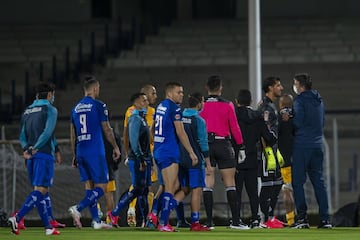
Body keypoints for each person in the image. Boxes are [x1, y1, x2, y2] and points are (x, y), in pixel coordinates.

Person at [8, 82, 60, 235]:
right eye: (53, 94)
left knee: (40, 191)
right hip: (43, 154)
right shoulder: (50, 109)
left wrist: (27, 149)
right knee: (41, 190)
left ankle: (48, 227)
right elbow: (48, 132)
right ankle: (17, 218)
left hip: (29, 156)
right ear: (50, 94)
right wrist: (37, 147)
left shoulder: (27, 110)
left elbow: (22, 135)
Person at [69, 75, 121, 229]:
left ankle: (96, 221)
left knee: (89, 187)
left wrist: (74, 154)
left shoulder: (75, 108)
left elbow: (73, 134)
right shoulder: (99, 105)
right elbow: (107, 128)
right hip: (94, 151)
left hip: (81, 150)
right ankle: (78, 208)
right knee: (102, 187)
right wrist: (116, 147)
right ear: (95, 88)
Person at [199, 75, 245, 229]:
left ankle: (210, 221)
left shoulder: (202, 105)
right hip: (223, 144)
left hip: (206, 145)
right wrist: (241, 146)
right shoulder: (228, 105)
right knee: (230, 183)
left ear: (207, 87)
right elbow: (235, 127)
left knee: (208, 183)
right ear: (220, 88)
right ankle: (236, 222)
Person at [153, 82, 198, 232]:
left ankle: (157, 216)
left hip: (159, 150)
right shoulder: (174, 108)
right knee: (171, 187)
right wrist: (191, 152)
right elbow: (180, 132)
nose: (182, 95)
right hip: (169, 151)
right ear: (170, 93)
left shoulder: (160, 106)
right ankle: (163, 222)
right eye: (179, 92)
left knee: (174, 184)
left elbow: (152, 128)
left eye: (182, 92)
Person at [291, 73, 332, 229]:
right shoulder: (319, 100)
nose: (294, 87)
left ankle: (302, 218)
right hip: (317, 145)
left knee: (298, 183)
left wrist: (290, 118)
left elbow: (298, 123)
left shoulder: (300, 101)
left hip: (302, 145)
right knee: (319, 182)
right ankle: (325, 219)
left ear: (301, 86)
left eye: (295, 84)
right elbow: (322, 122)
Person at [107, 93, 152, 226]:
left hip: (145, 159)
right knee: (138, 189)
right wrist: (141, 159)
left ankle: (145, 221)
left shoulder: (142, 118)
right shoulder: (135, 119)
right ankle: (114, 213)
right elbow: (134, 141)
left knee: (144, 190)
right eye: (144, 101)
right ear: (136, 103)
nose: (147, 103)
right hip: (138, 160)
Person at [234, 89, 277, 229]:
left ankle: (236, 220)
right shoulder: (257, 116)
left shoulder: (233, 115)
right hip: (253, 158)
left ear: (237, 101)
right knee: (253, 192)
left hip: (236, 159)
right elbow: (269, 138)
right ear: (251, 101)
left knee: (236, 191)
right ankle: (255, 219)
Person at [173, 92, 211, 231]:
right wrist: (208, 163)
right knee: (196, 190)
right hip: (194, 160)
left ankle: (164, 213)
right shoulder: (198, 120)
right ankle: (195, 222)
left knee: (183, 189)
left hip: (180, 159)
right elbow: (203, 143)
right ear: (200, 103)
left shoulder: (179, 117)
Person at [123, 84, 158, 227]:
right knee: (146, 187)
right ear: (144, 95)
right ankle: (147, 217)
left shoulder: (138, 112)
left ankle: (134, 210)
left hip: (144, 155)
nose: (155, 96)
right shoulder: (137, 112)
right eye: (153, 93)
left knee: (139, 185)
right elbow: (129, 134)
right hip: (143, 156)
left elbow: (126, 134)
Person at [257, 76, 284, 228]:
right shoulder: (265, 107)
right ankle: (264, 219)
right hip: (267, 152)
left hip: (274, 151)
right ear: (270, 88)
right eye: (278, 85)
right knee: (268, 184)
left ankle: (270, 216)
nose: (281, 88)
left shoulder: (270, 105)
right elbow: (263, 131)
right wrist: (266, 151)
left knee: (278, 182)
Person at [278, 94, 296, 226]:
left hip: (284, 161)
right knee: (298, 190)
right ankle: (301, 218)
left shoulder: (278, 117)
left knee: (287, 191)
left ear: (281, 104)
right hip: (297, 159)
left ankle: (291, 220)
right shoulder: (296, 116)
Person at [103, 126, 122, 227]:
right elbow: (119, 155)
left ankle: (96, 216)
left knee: (92, 190)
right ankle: (110, 220)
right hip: (109, 168)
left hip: (97, 166)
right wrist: (114, 166)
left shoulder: (97, 133)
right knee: (109, 195)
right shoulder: (115, 135)